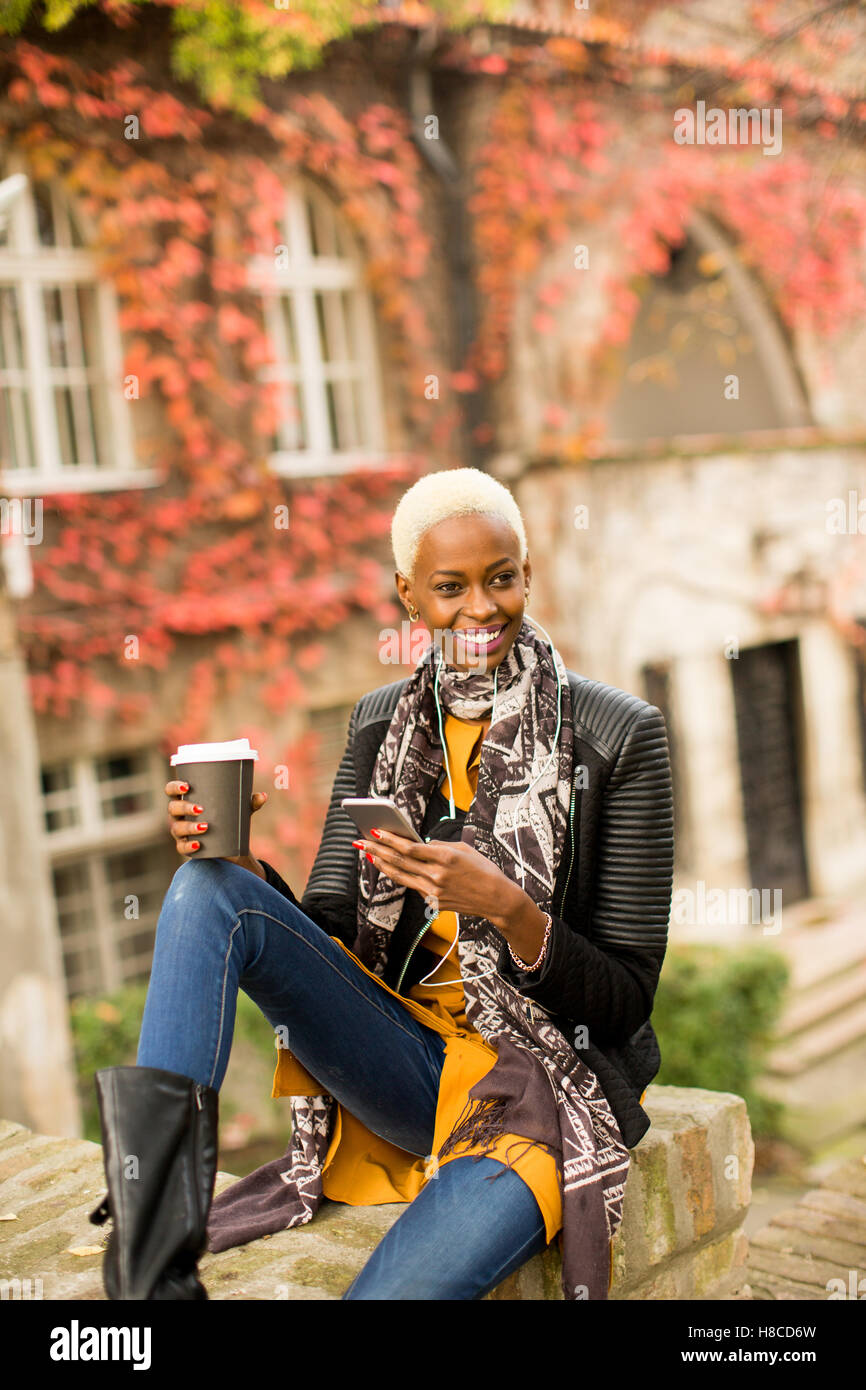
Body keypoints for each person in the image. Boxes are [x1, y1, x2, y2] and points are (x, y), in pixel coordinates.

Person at [88, 467, 674, 1301]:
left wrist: (510, 911)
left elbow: (625, 1000)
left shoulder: (619, 736)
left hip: (535, 1089)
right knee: (206, 887)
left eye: (500, 578)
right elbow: (329, 935)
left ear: (526, 574)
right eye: (450, 587)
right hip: (407, 1064)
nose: (481, 608)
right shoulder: (379, 725)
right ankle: (149, 1274)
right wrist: (244, 865)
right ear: (408, 595)